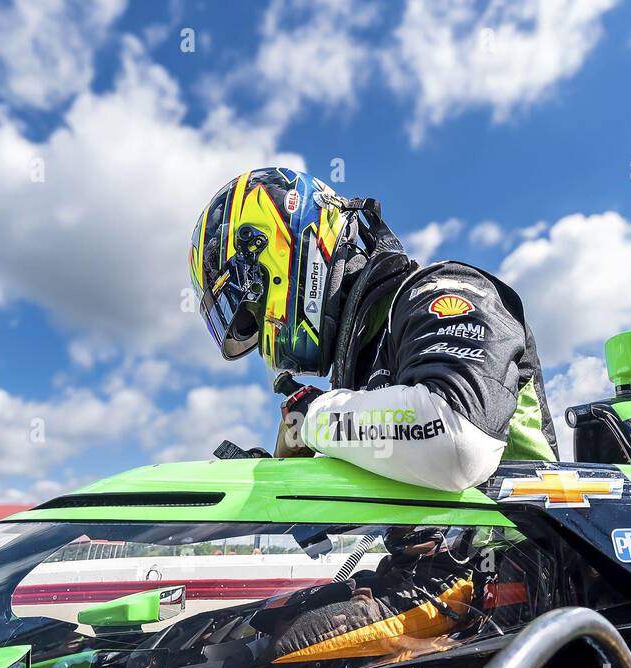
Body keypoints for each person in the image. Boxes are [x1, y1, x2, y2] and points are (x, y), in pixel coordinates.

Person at [189, 167, 558, 491]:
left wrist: (314, 417)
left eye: (252, 310)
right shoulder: (362, 373)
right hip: (465, 568)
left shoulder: (441, 289)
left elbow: (457, 443)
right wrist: (288, 478)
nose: (264, 339)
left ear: (280, 259)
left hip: (538, 558)